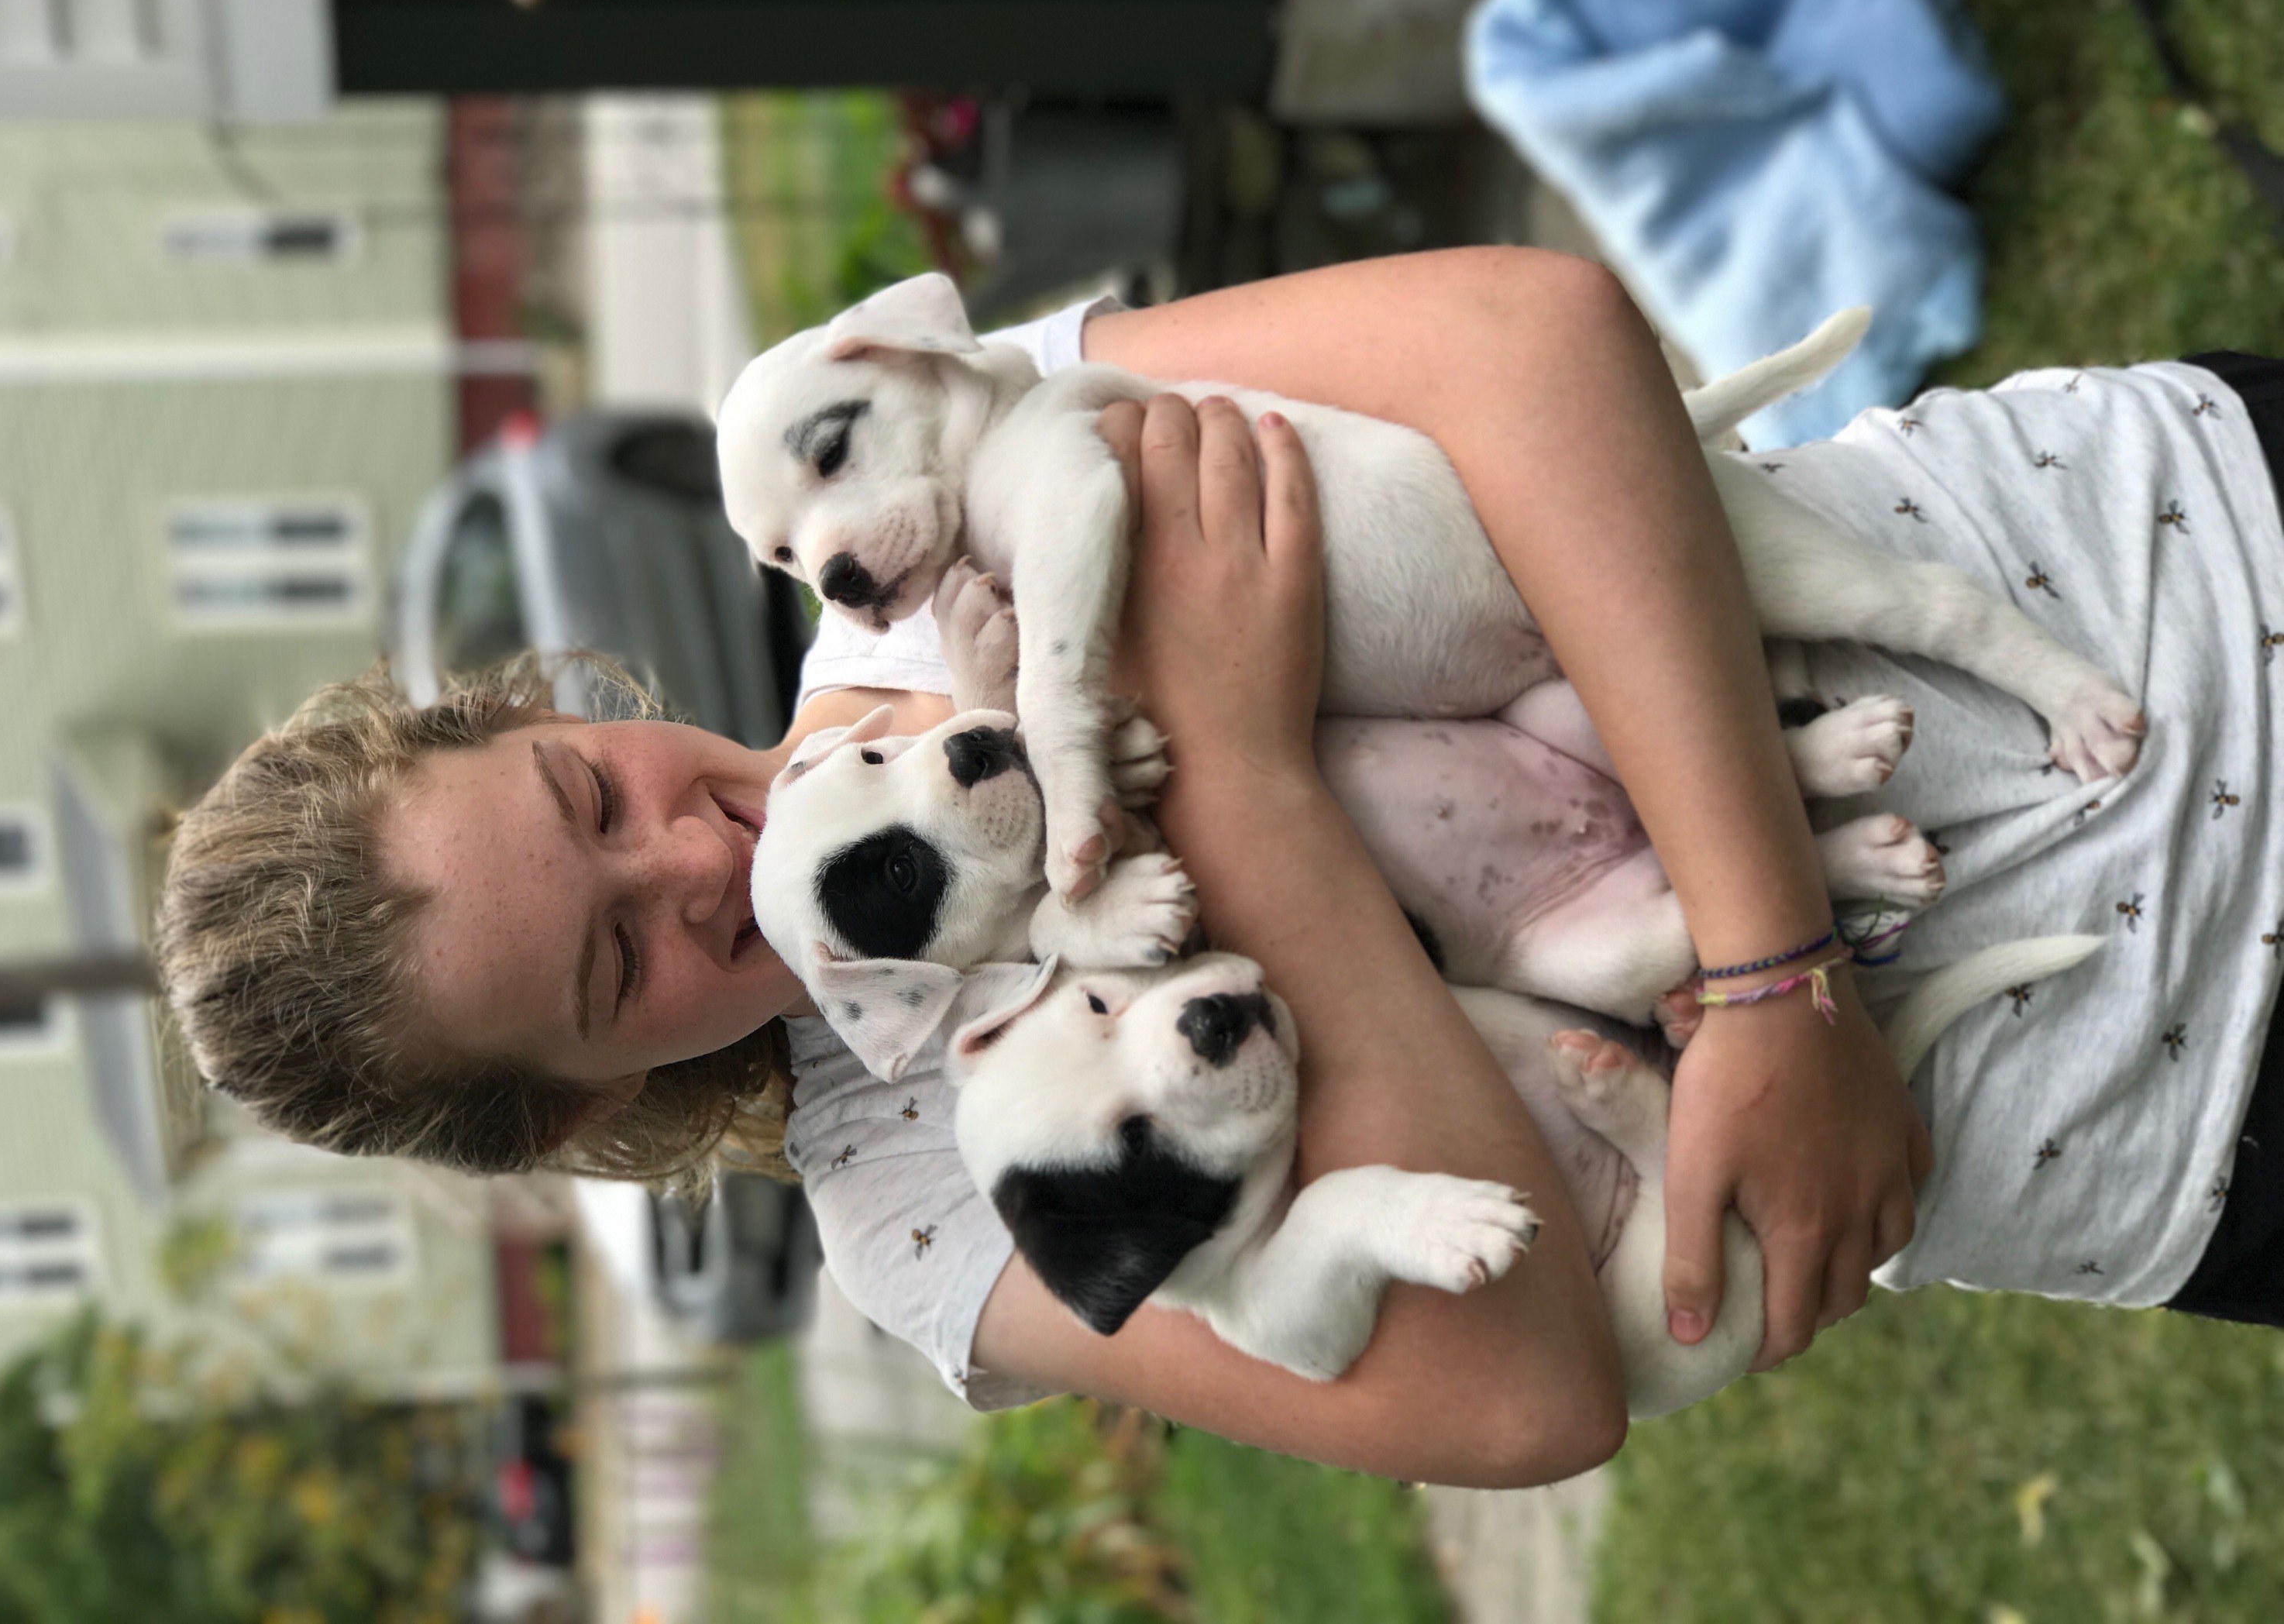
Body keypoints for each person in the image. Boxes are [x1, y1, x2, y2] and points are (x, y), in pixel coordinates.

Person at [156, 248, 2284, 1487]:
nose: (689, 848)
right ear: (586, 1107)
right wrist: (1246, 781)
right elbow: (1523, 1385)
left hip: (2154, 548)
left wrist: (1770, 971)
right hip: (2167, 1090)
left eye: (583, 789)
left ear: (536, 703)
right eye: (626, 962)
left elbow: (1538, 348)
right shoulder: (923, 1197)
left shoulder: (912, 501)